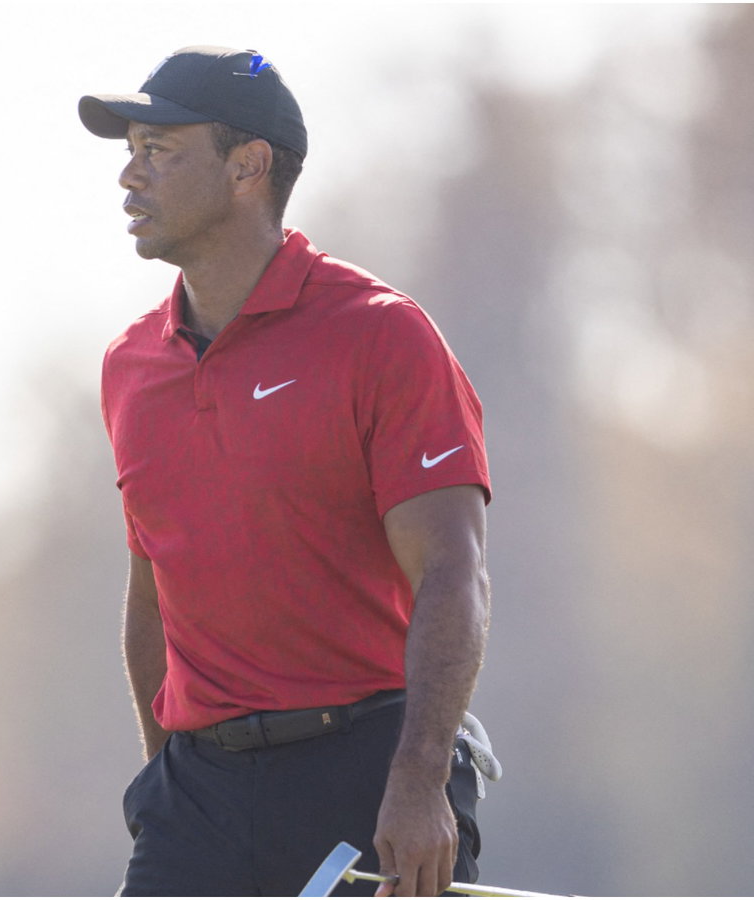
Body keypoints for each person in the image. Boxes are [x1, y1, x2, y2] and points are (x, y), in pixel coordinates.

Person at [79, 47, 493, 896]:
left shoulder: (379, 334)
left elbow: (452, 572)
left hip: (369, 771)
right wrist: (164, 782)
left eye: (159, 151)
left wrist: (419, 783)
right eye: (130, 150)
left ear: (248, 166)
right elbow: (154, 591)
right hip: (200, 795)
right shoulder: (130, 366)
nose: (129, 174)